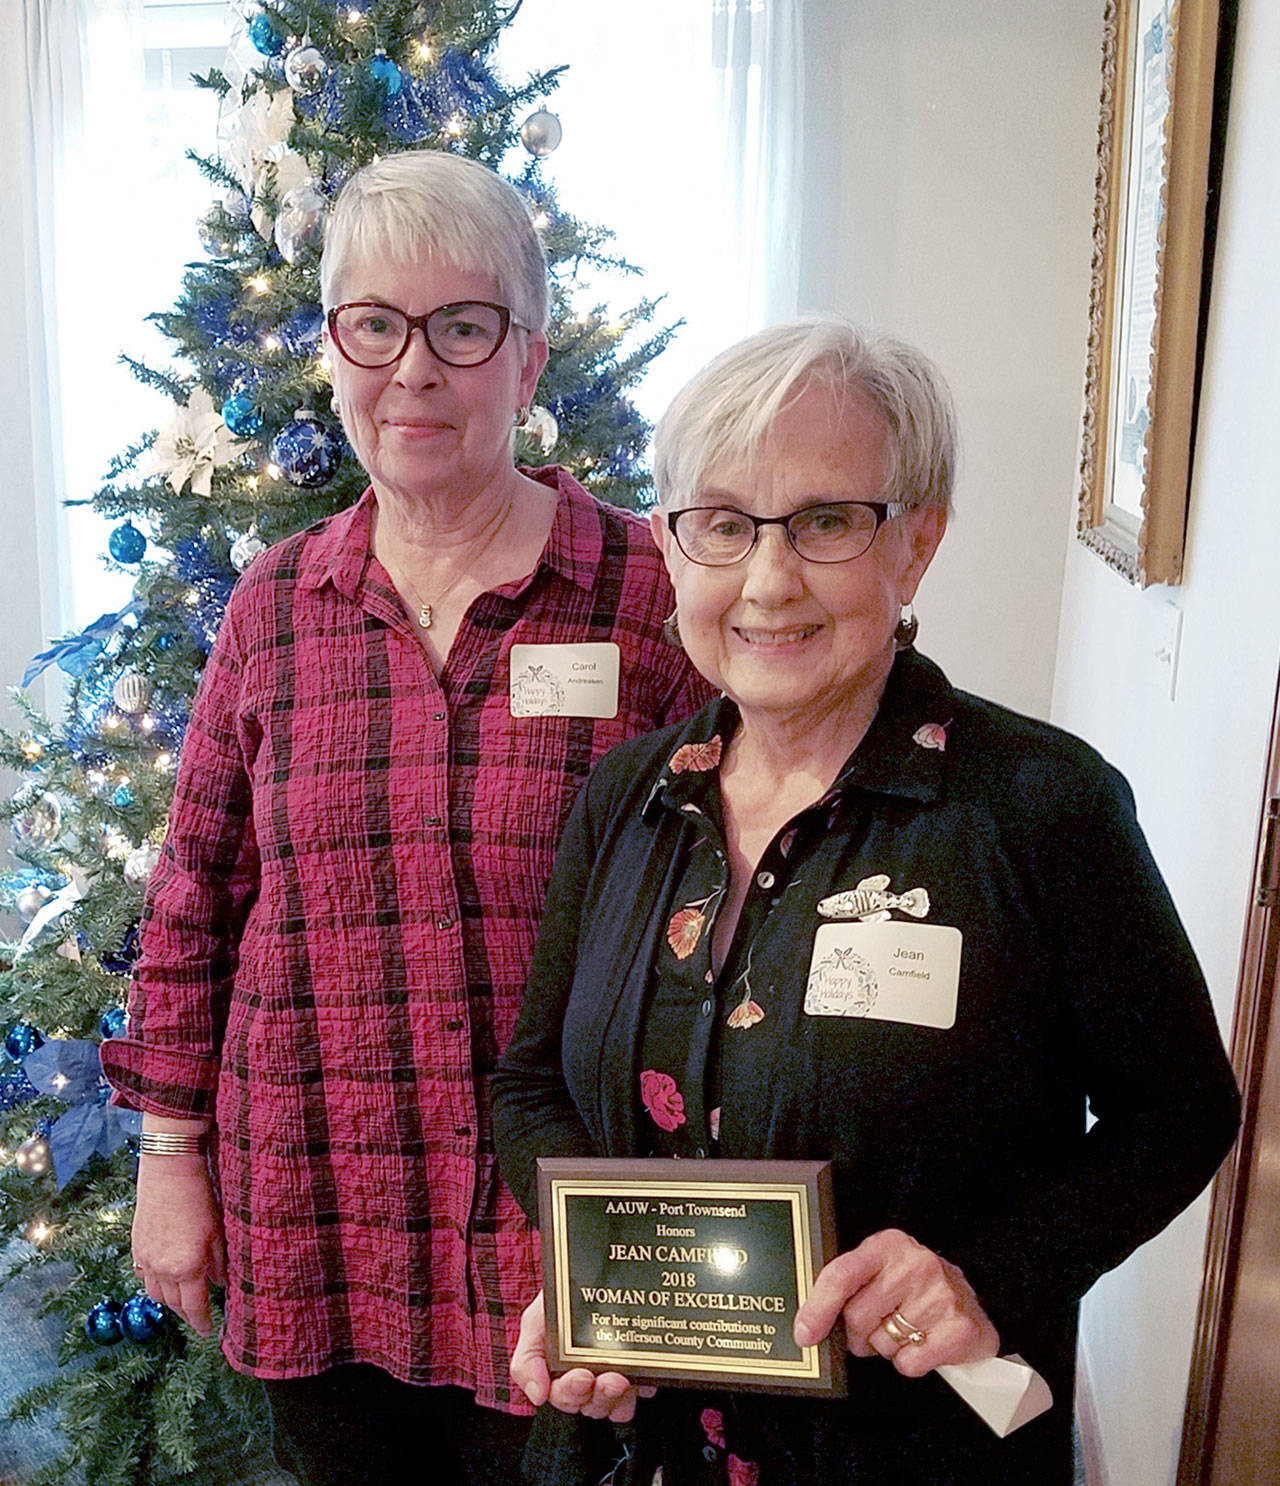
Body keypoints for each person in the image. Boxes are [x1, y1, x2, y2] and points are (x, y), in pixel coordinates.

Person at [491, 319, 1241, 1484]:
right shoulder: (623, 798)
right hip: (632, 1447)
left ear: (917, 544)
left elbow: (1179, 1111)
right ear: (671, 548)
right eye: (724, 525)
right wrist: (587, 1279)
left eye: (828, 521)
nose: (769, 580)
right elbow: (532, 1084)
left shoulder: (1037, 807)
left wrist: (984, 1272)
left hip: (912, 1447)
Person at [101, 150, 710, 1486]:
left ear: (528, 357)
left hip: (552, 1237)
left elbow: (742, 896)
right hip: (318, 1200)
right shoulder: (275, 605)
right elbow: (194, 900)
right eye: (375, 325)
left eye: (463, 326)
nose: (414, 369)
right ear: (333, 351)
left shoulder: (649, 593)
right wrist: (168, 1158)